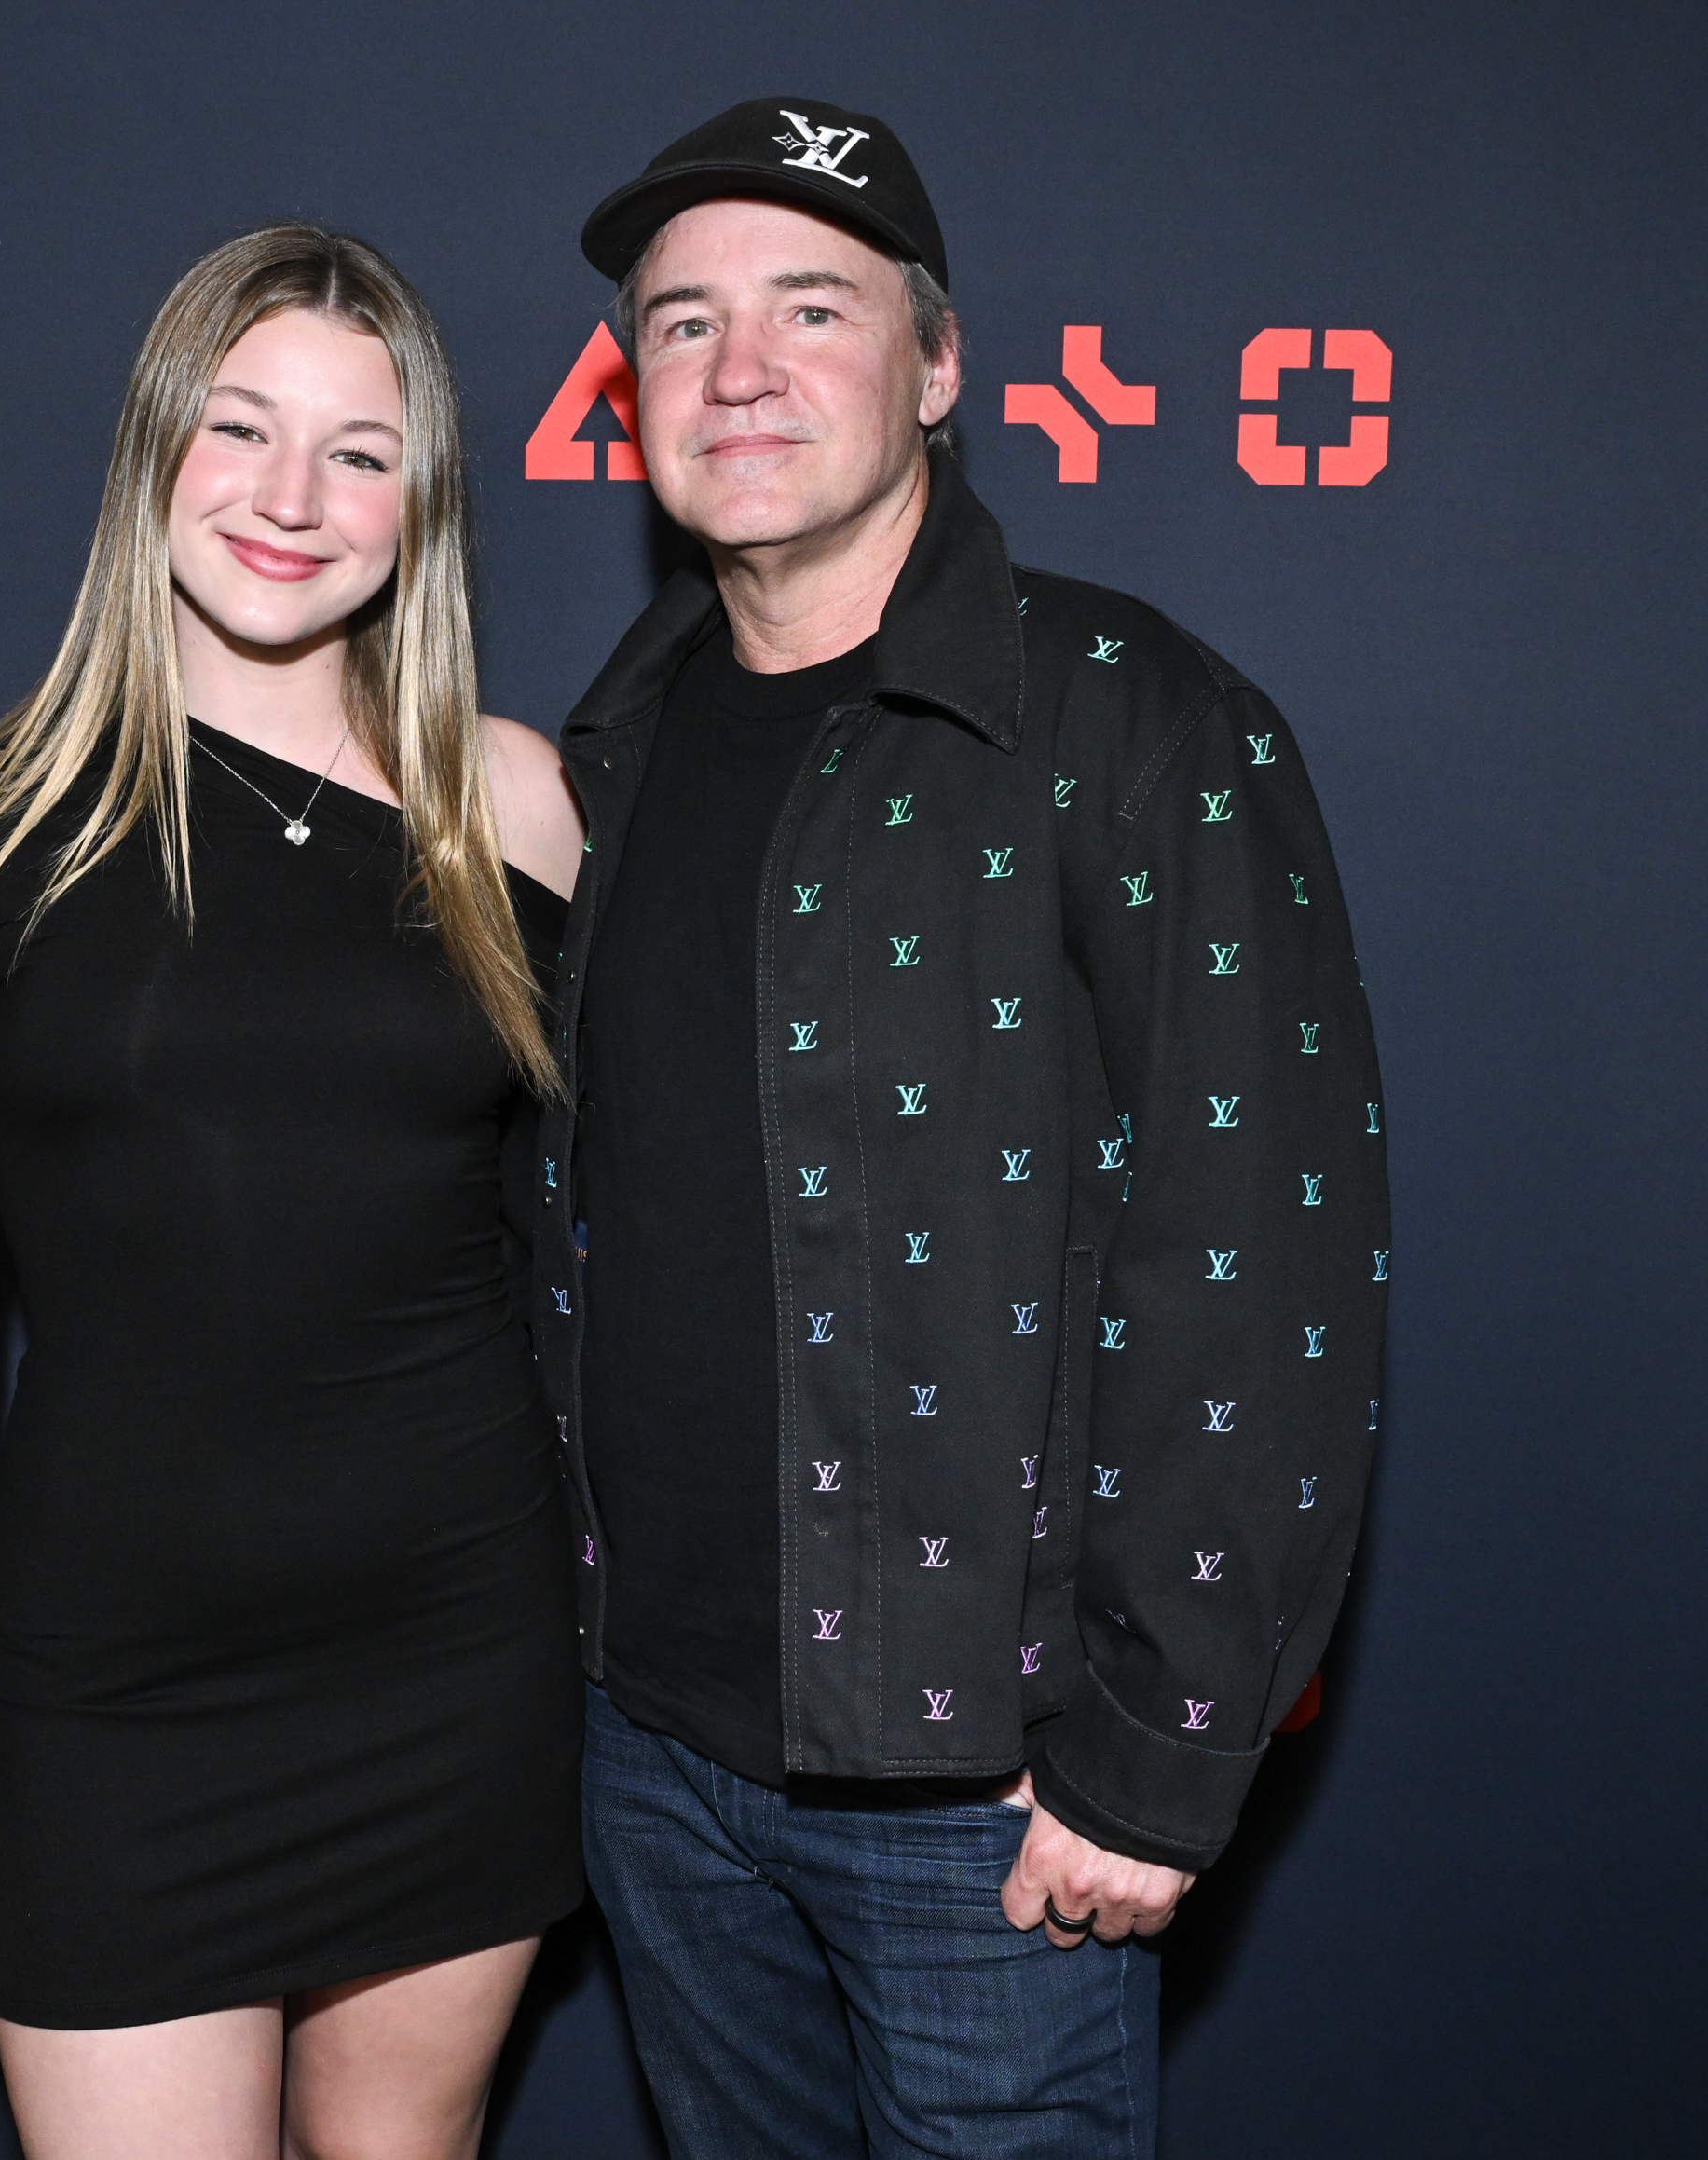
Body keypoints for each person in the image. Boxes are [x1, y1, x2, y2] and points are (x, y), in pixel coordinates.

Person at [537, 100, 1390, 2157]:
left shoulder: (1137, 720)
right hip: (652, 1759)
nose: (738, 369)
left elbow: (1263, 1253)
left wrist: (1162, 1752)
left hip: (987, 1806)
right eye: (681, 324)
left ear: (936, 364)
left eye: (809, 309)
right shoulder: (616, 739)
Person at [0, 224, 586, 2160]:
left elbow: (581, 1266)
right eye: (240, 427)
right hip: (110, 1703)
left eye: (358, 449)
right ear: (152, 447)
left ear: (419, 508)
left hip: (455, 1656)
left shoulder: (511, 807)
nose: (289, 496)